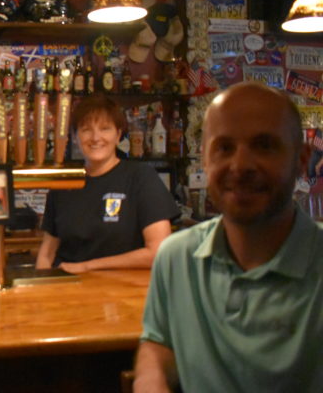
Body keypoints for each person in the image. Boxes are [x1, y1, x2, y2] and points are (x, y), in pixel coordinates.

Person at [134, 82, 323, 392]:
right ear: (205, 161)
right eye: (224, 147)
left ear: (301, 160)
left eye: (264, 145)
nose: (241, 165)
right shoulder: (176, 258)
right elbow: (158, 349)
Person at [36, 95, 179, 273]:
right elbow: (47, 253)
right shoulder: (64, 182)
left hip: (126, 291)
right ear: (75, 136)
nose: (96, 137)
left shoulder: (140, 177)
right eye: (86, 130)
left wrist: (87, 266)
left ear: (118, 135)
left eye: (105, 129)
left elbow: (159, 251)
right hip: (70, 290)